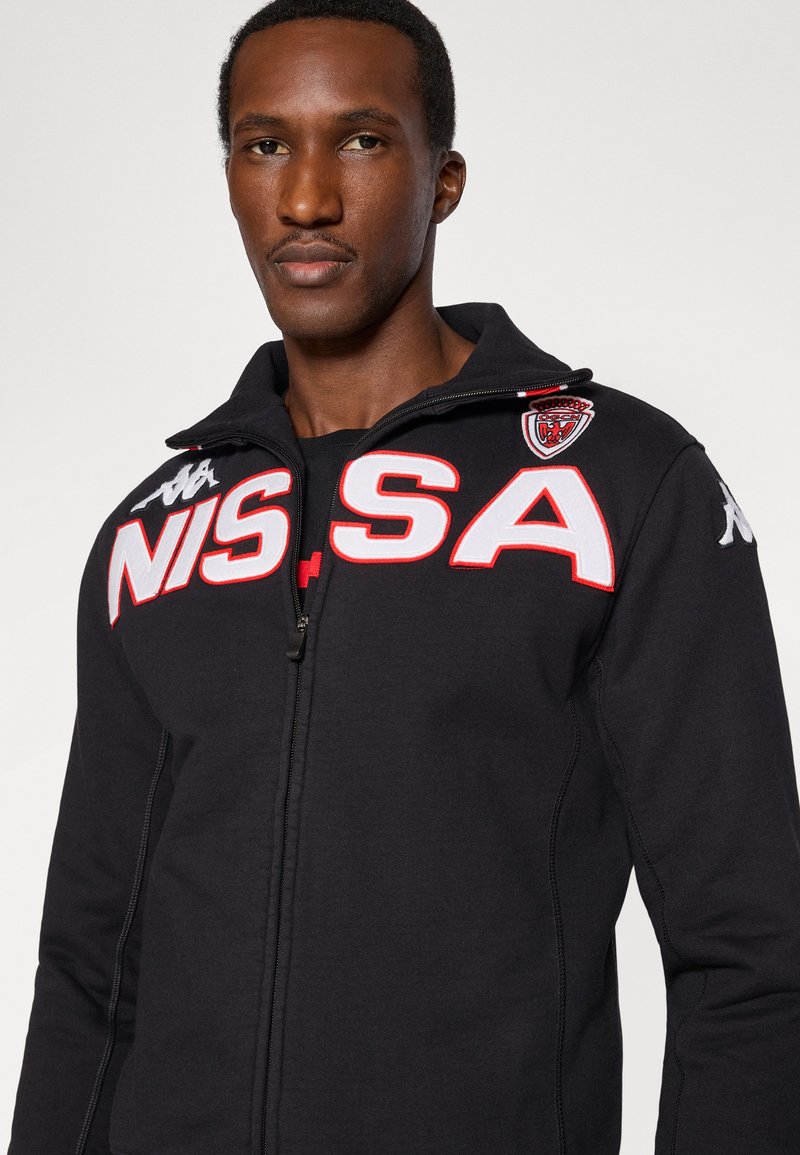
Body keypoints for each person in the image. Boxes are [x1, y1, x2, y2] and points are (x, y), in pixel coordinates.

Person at [7, 0, 800, 1151]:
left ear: (443, 180)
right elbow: (88, 967)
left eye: (362, 140)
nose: (305, 198)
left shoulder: (617, 483)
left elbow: (750, 952)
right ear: (229, 178)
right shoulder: (150, 534)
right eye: (264, 145)